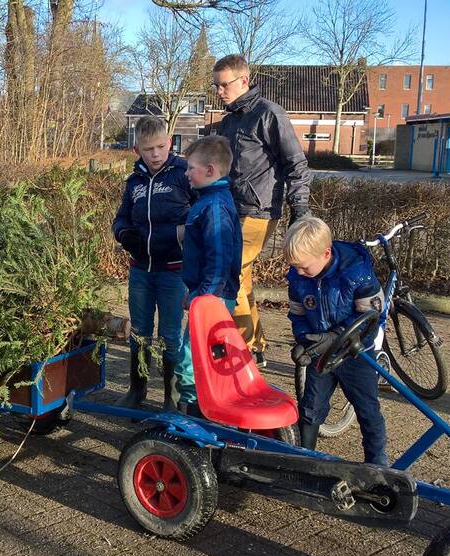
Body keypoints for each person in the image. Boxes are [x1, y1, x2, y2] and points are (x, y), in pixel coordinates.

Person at [213, 54, 313, 367]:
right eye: (216, 86)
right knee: (240, 278)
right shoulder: (229, 120)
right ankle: (255, 347)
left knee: (230, 274)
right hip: (230, 208)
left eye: (224, 85)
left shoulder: (269, 114)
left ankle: (244, 351)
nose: (219, 91)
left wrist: (300, 206)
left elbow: (296, 163)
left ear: (244, 80)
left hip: (258, 210)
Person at [285, 217, 388, 465]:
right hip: (322, 354)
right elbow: (298, 313)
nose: (299, 272)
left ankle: (377, 464)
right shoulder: (298, 278)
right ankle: (304, 461)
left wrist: (336, 336)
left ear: (326, 253)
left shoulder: (356, 272)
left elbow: (371, 316)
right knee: (310, 408)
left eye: (304, 267)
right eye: (295, 267)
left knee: (368, 411)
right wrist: (304, 341)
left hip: (355, 353)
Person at [112, 116, 194, 412]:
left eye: (161, 146)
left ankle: (171, 398)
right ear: (137, 150)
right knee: (139, 332)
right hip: (140, 272)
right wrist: (123, 233)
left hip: (173, 271)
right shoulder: (134, 181)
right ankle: (137, 390)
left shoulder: (184, 175)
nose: (156, 154)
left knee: (170, 336)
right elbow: (121, 217)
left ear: (169, 142)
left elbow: (201, 216)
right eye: (148, 149)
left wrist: (179, 234)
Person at [174, 135, 242, 416]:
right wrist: (193, 291)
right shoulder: (209, 201)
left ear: (210, 170)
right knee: (200, 354)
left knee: (191, 357)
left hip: (213, 297)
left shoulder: (214, 207)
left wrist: (204, 297)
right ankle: (201, 405)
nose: (187, 173)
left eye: (191, 168)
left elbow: (219, 259)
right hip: (207, 293)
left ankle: (194, 410)